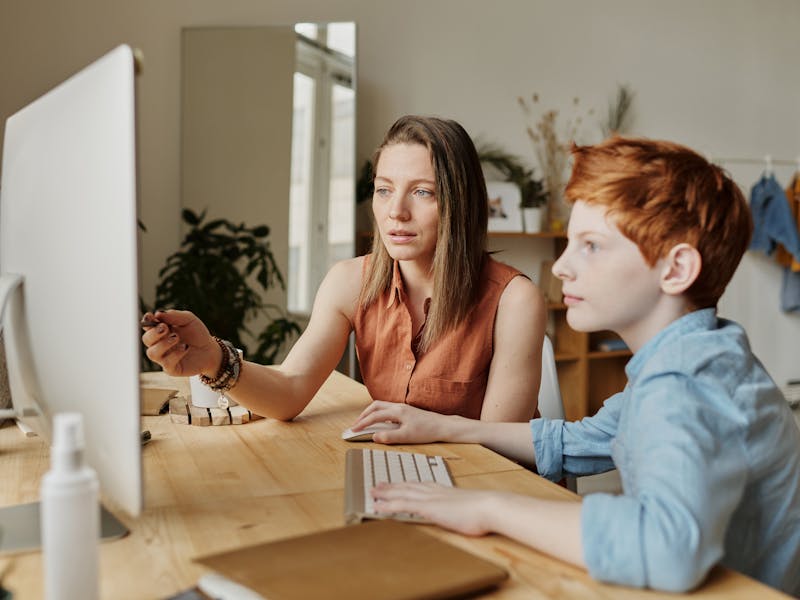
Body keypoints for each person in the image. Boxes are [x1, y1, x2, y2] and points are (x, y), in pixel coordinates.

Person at [354, 137, 800, 595]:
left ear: (676, 269)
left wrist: (488, 508)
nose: (562, 267)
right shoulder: (698, 355)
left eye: (591, 246)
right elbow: (579, 440)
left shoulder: (684, 382)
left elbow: (667, 548)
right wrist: (444, 426)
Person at [142, 115, 545, 422]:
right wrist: (213, 358)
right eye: (384, 189)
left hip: (489, 491)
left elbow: (500, 448)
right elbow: (289, 390)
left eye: (422, 192)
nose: (395, 212)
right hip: (406, 477)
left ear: (461, 203)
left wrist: (420, 430)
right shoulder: (350, 281)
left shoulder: (514, 300)